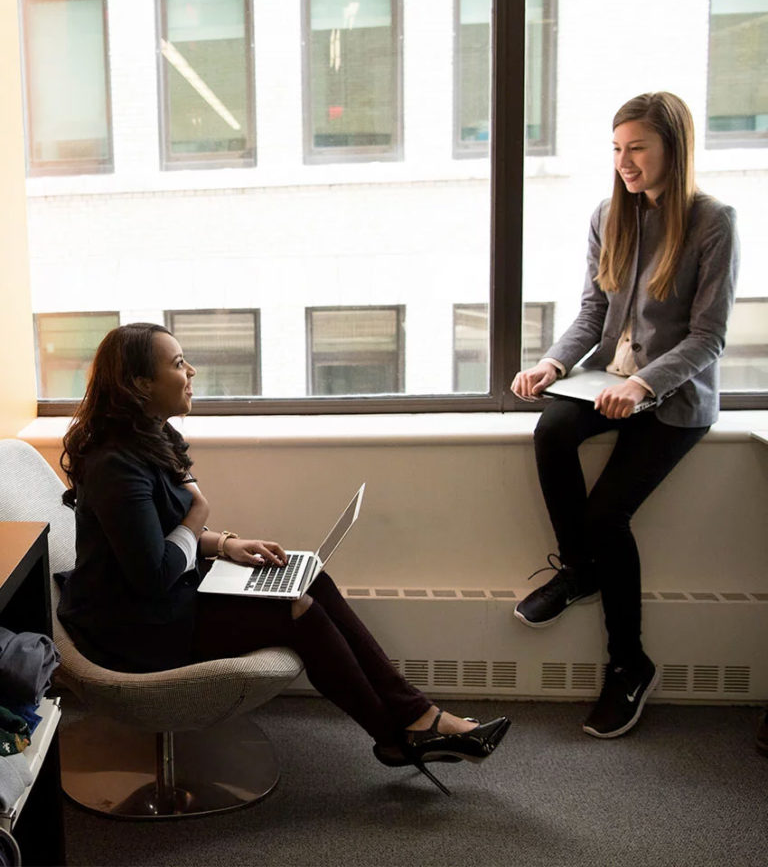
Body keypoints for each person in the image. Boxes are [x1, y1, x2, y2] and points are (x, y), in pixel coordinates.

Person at [57, 322, 509, 794]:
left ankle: (418, 718)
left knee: (311, 579)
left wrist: (226, 543)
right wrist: (200, 516)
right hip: (134, 627)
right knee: (300, 613)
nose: (191, 371)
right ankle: (402, 734)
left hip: (165, 596)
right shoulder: (115, 464)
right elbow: (154, 572)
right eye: (176, 363)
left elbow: (164, 533)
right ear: (139, 385)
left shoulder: (152, 436)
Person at [511, 92, 739, 739]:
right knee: (552, 426)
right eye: (617, 149)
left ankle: (629, 664)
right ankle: (578, 568)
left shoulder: (713, 221)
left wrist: (643, 385)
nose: (626, 161)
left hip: (675, 401)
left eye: (638, 147)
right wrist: (552, 365)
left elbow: (709, 337)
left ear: (673, 147)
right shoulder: (608, 216)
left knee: (609, 515)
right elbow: (593, 314)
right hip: (608, 384)